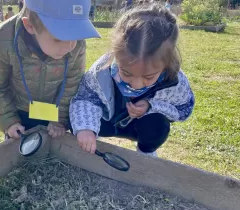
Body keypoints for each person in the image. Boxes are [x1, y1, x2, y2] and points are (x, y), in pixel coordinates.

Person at [70, 4, 195, 156]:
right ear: (115, 54)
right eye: (126, 73)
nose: (135, 84)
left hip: (137, 127)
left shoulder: (174, 81)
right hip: (106, 122)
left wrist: (152, 106)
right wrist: (86, 128)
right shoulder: (101, 70)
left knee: (158, 125)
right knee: (76, 120)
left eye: (148, 76)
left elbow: (183, 110)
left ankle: (145, 152)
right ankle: (94, 137)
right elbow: (85, 98)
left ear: (165, 65)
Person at [0, 0, 100, 140]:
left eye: (76, 36)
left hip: (55, 114)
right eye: (58, 39)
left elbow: (72, 85)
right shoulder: (0, 40)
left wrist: (60, 120)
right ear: (30, 26)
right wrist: (9, 121)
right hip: (18, 113)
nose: (70, 47)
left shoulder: (77, 45)